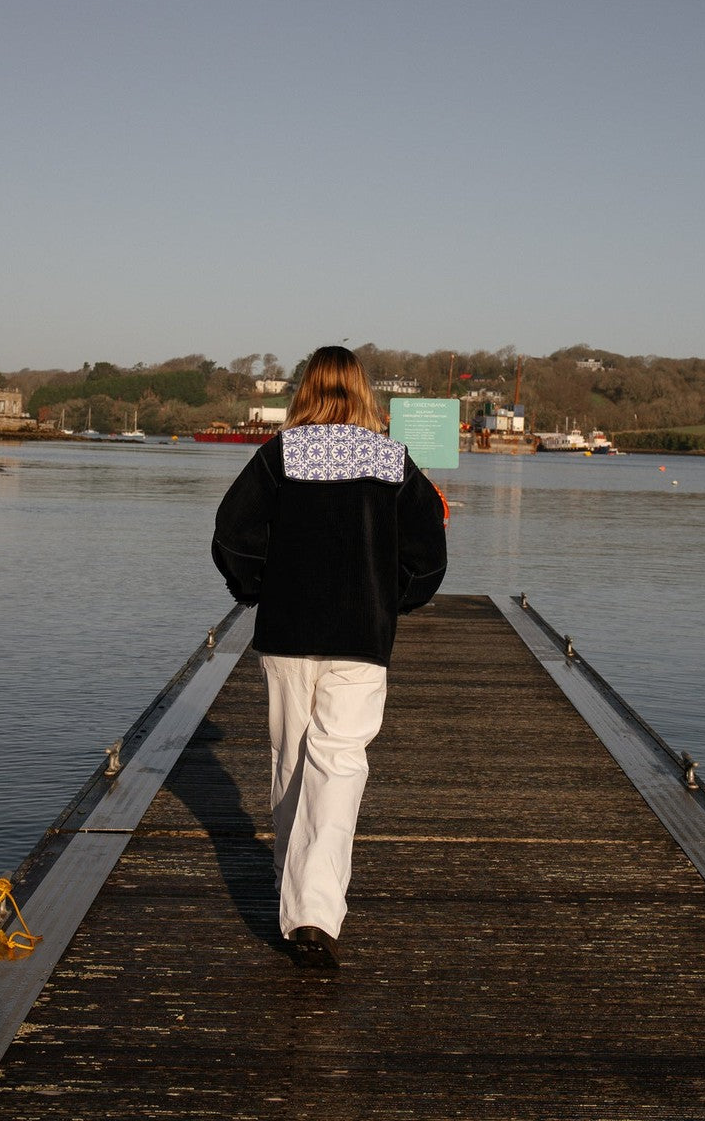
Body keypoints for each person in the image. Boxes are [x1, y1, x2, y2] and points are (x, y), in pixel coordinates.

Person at [211, 345, 448, 969]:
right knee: (339, 765)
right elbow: (429, 554)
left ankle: (299, 915)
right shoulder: (394, 461)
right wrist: (393, 597)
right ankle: (315, 913)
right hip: (361, 636)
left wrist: (258, 589)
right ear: (364, 391)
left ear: (306, 389)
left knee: (291, 761)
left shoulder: (280, 455)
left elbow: (231, 534)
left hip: (288, 632)